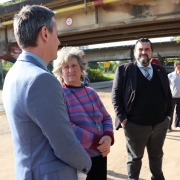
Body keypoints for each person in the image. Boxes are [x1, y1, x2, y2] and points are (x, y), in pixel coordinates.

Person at [2, 5, 91, 180]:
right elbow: (64, 143)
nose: (58, 42)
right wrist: (87, 164)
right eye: (56, 34)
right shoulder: (41, 80)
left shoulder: (13, 74)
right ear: (45, 33)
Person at [112, 38, 172, 180]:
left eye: (147, 49)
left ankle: (157, 177)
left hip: (159, 125)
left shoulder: (160, 70)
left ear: (151, 52)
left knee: (157, 155)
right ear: (135, 52)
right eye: (140, 49)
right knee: (134, 159)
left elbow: (168, 95)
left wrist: (168, 117)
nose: (143, 52)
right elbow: (116, 97)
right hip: (134, 126)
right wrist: (124, 120)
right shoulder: (124, 70)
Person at [53, 47, 114, 180]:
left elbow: (106, 118)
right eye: (66, 67)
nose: (71, 70)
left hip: (100, 154)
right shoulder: (60, 95)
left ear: (81, 69)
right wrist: (97, 141)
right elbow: (66, 127)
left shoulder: (91, 92)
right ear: (60, 72)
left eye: (74, 65)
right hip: (79, 159)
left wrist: (108, 137)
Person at [167, 61, 180, 132]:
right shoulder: (170, 76)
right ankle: (168, 126)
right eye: (178, 67)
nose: (179, 69)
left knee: (179, 111)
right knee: (170, 112)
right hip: (172, 96)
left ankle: (177, 125)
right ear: (175, 67)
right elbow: (166, 86)